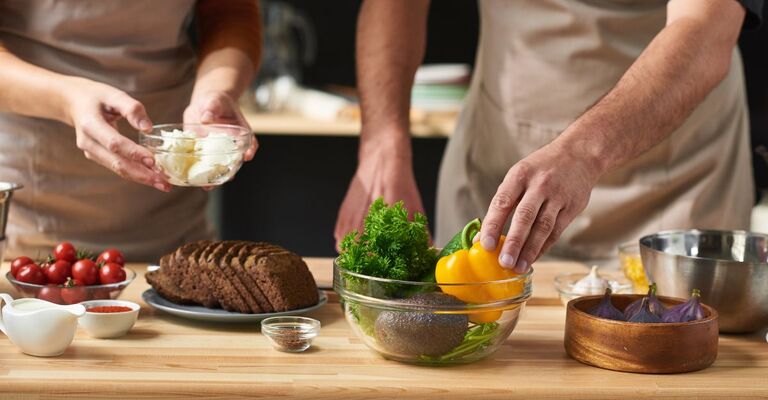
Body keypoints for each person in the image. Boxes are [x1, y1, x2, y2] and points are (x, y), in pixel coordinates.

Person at [336, 0, 763, 271]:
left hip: (677, 179)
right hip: (497, 157)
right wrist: (383, 139)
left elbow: (706, 28)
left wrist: (581, 154)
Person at [0, 0, 261, 261]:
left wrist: (216, 91)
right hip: (32, 214)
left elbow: (230, 13)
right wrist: (66, 100)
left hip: (172, 220)